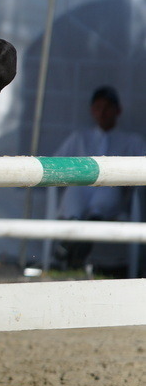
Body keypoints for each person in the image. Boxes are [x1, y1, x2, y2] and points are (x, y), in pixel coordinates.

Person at [53, 86, 146, 273]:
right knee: (75, 193)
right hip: (81, 191)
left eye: (107, 107)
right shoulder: (79, 137)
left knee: (106, 193)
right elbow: (55, 165)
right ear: (92, 110)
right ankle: (76, 241)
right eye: (98, 107)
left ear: (117, 110)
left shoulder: (132, 141)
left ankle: (72, 246)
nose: (102, 112)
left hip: (111, 192)